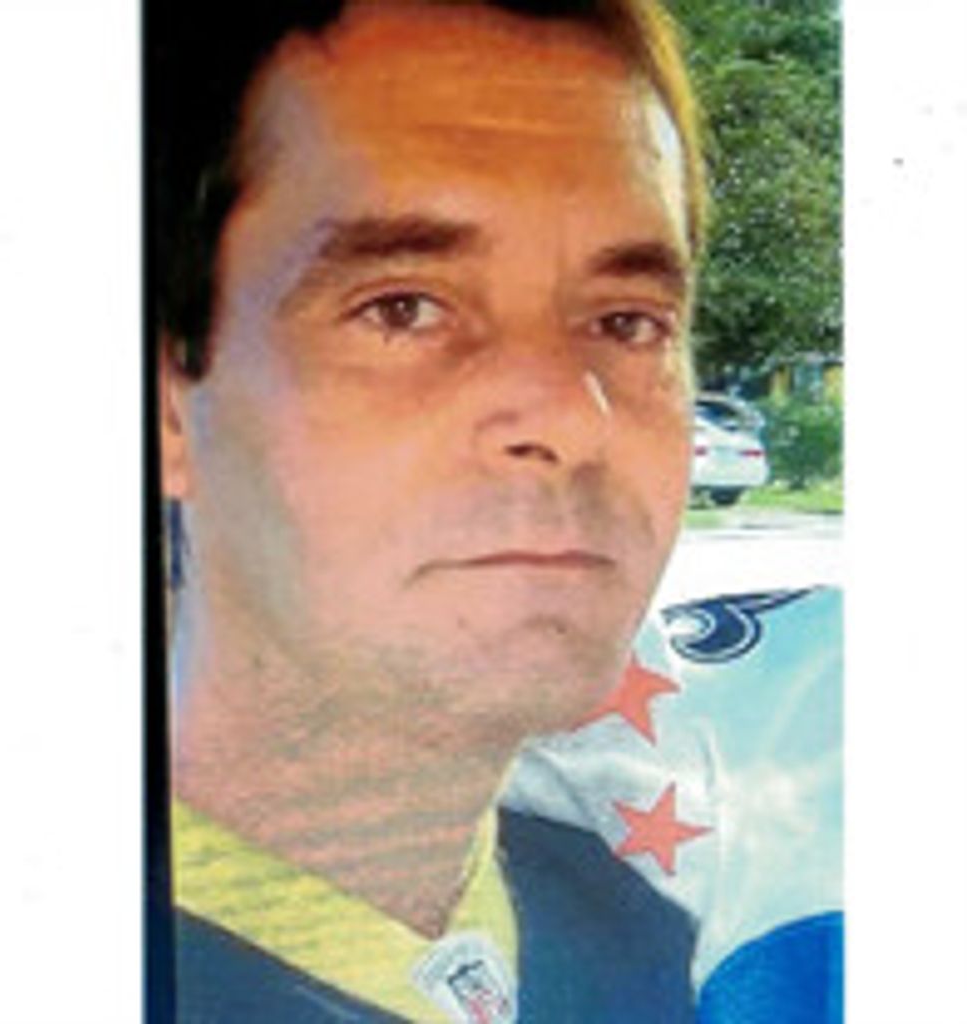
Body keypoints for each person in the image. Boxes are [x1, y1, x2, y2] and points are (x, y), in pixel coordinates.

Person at [152, 1, 841, 1020]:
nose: (573, 413)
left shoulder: (649, 931)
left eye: (627, 321)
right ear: (170, 402)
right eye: (403, 308)